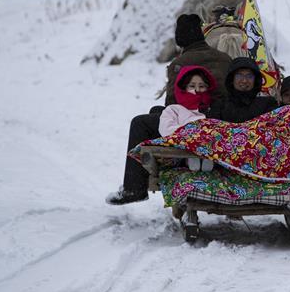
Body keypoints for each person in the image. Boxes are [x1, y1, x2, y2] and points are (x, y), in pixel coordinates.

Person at [105, 14, 232, 205]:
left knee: (140, 123)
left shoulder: (181, 63)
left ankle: (135, 188)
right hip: (221, 117)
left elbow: (173, 103)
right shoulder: (224, 58)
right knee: (154, 111)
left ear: (179, 38)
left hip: (195, 120)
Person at [159, 66, 216, 172]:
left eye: (202, 86)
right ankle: (188, 159)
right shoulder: (174, 109)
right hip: (181, 148)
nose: (197, 90)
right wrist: (190, 131)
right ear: (184, 88)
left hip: (209, 148)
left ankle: (206, 159)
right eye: (192, 86)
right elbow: (166, 129)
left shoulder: (213, 110)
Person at [206, 57, 279, 122]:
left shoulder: (267, 104)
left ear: (255, 80)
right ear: (232, 79)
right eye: (239, 75)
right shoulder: (219, 106)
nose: (244, 80)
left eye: (249, 76)